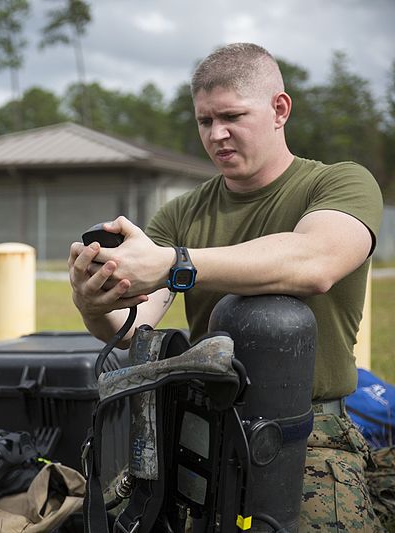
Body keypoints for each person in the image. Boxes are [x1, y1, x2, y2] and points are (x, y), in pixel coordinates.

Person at [69, 43, 383, 531]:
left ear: (279, 110)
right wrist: (92, 302)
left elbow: (314, 261)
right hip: (205, 423)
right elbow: (133, 325)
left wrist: (176, 263)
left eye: (232, 116)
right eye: (204, 121)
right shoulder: (182, 213)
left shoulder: (340, 183)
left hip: (310, 429)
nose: (217, 135)